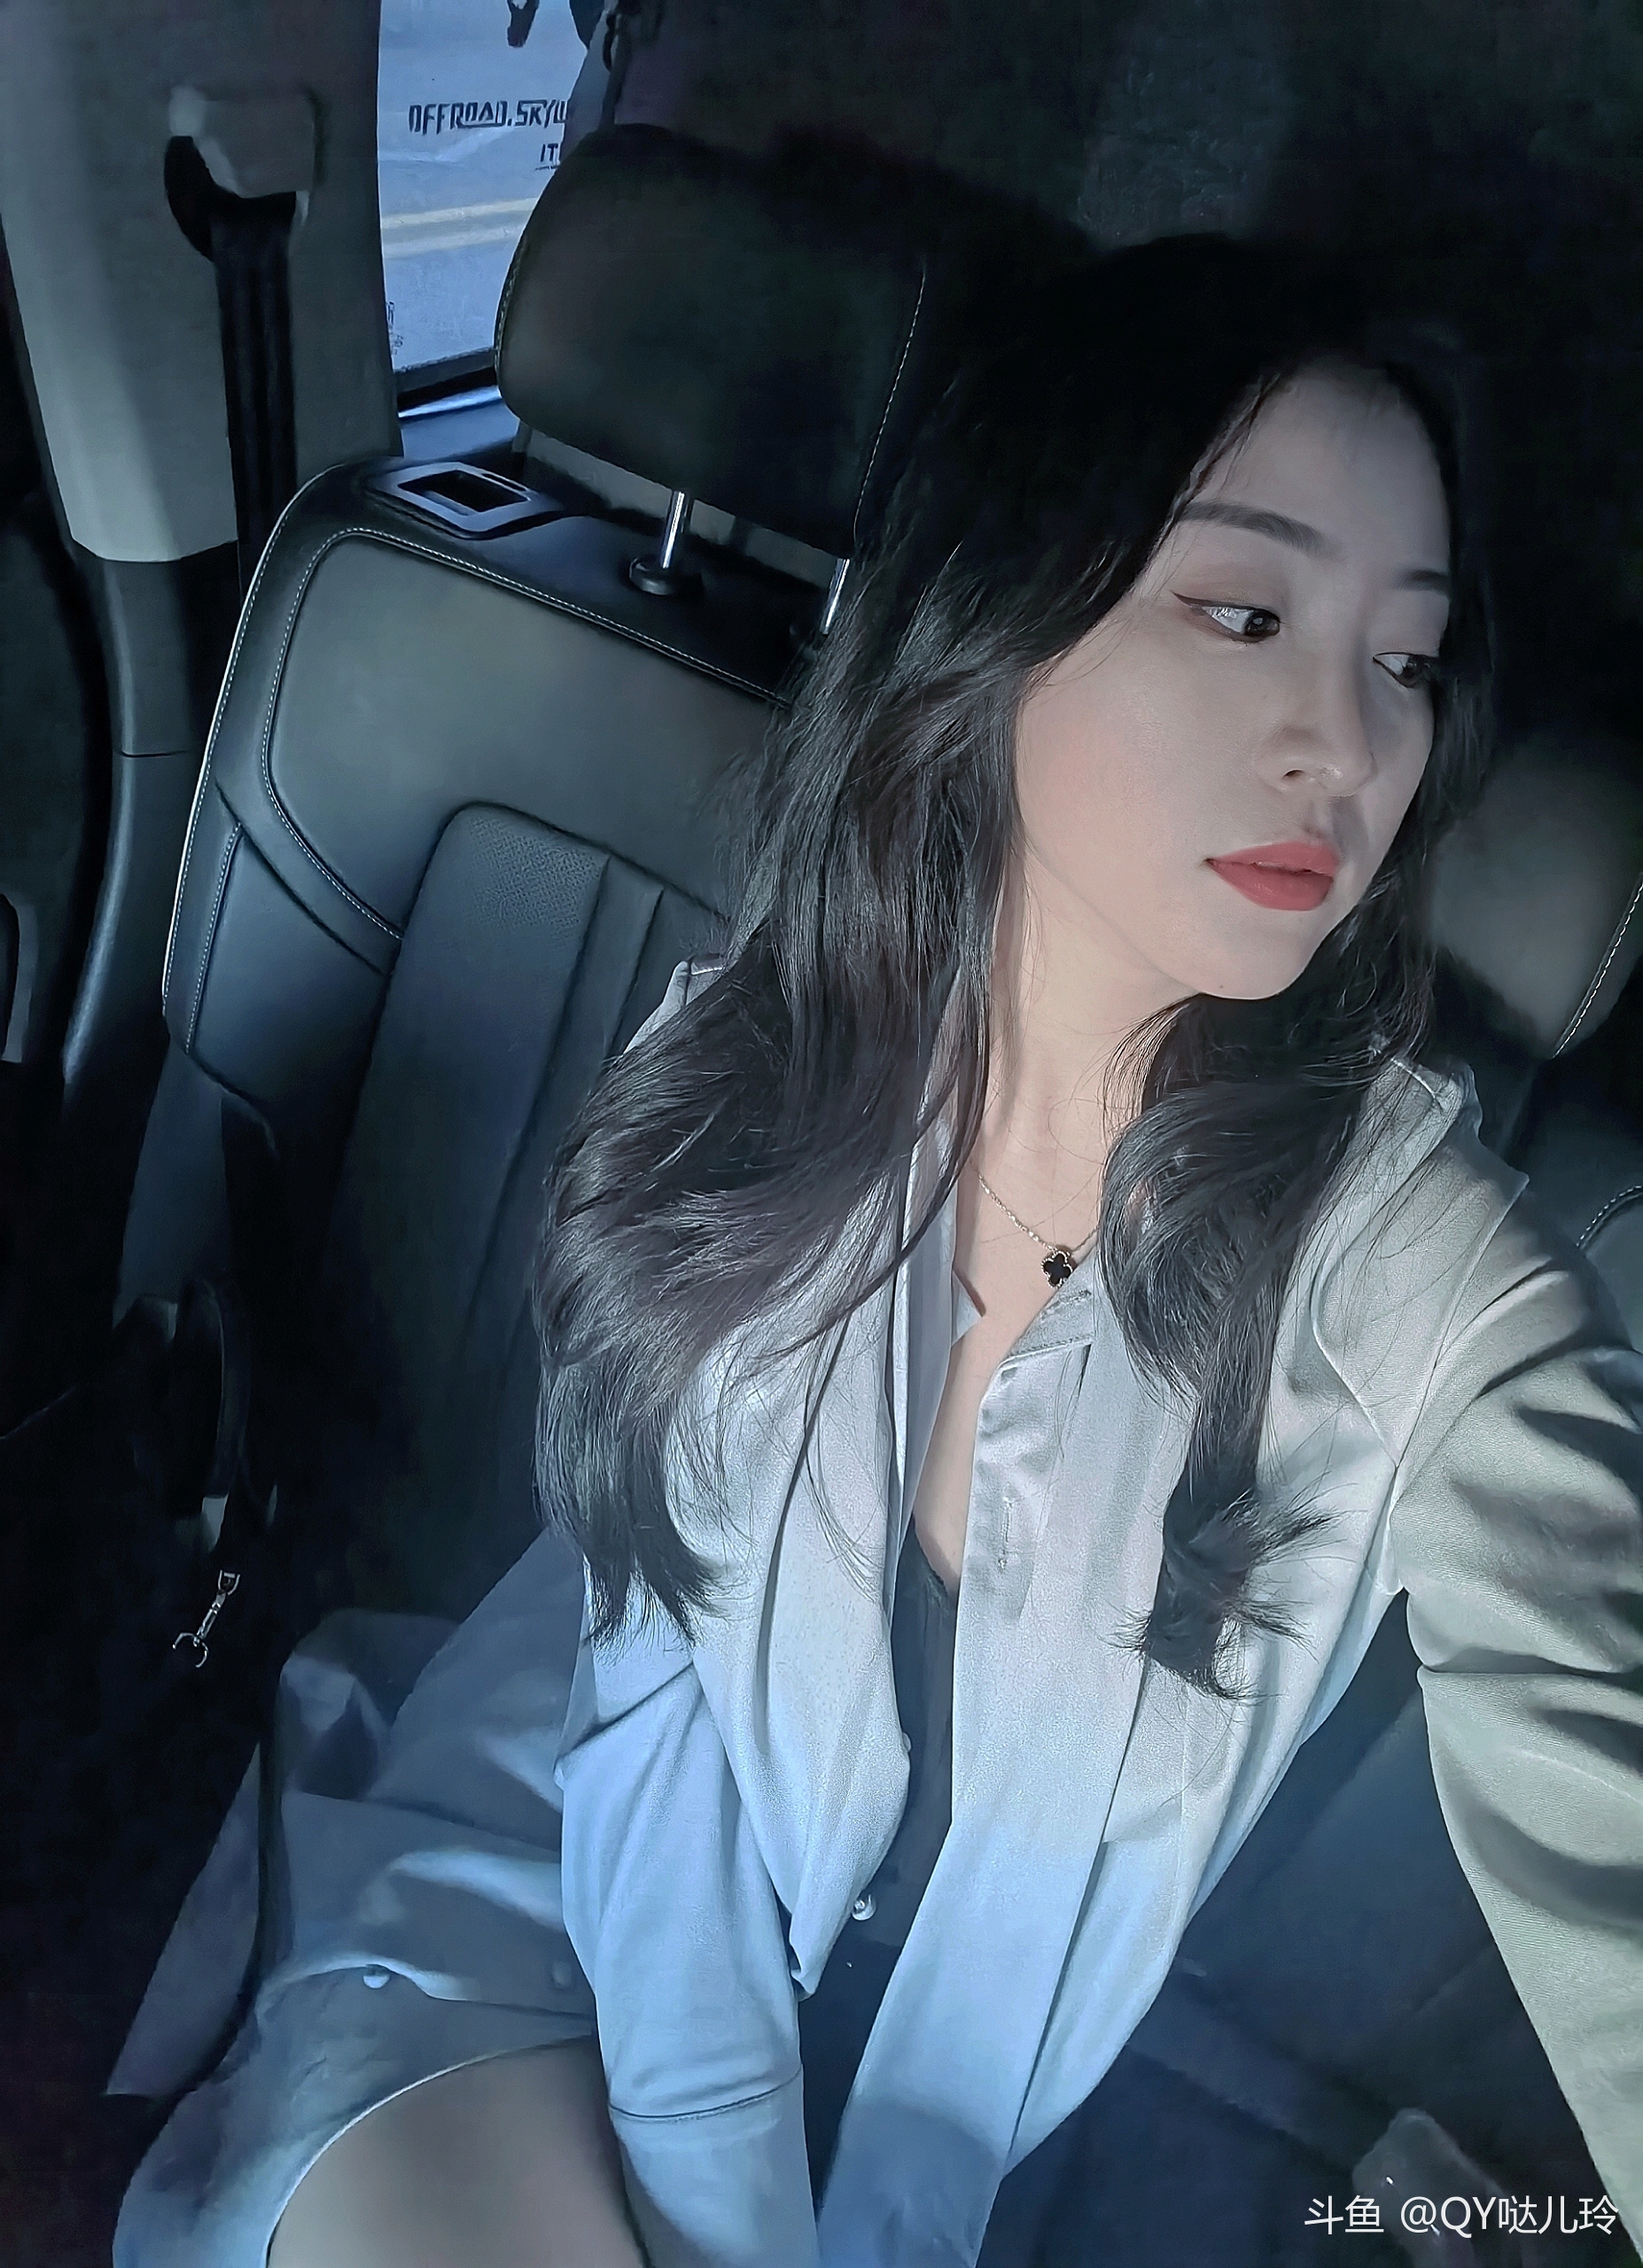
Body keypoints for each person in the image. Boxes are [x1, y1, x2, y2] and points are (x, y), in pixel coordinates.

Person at [113, 234, 1643, 2268]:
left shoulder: (1421, 1275)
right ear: (999, 622)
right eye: (1245, 611)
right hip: (559, 1851)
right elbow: (640, 1689)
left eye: (1407, 658)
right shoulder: (762, 1057)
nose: (1346, 745)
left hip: (918, 2073)